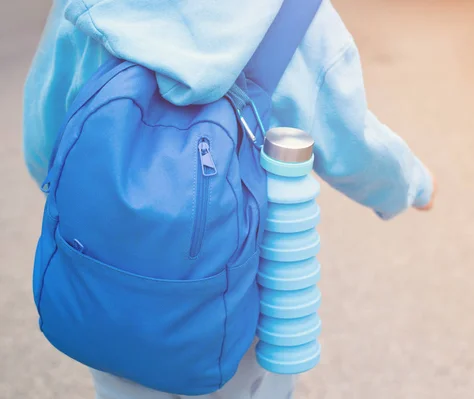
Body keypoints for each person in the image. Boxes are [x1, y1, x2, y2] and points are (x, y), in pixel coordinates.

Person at [23, 0, 436, 398]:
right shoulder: (299, 18)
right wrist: (412, 186)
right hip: (235, 291)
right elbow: (352, 144)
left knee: (119, 376)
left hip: (105, 272)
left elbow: (47, 129)